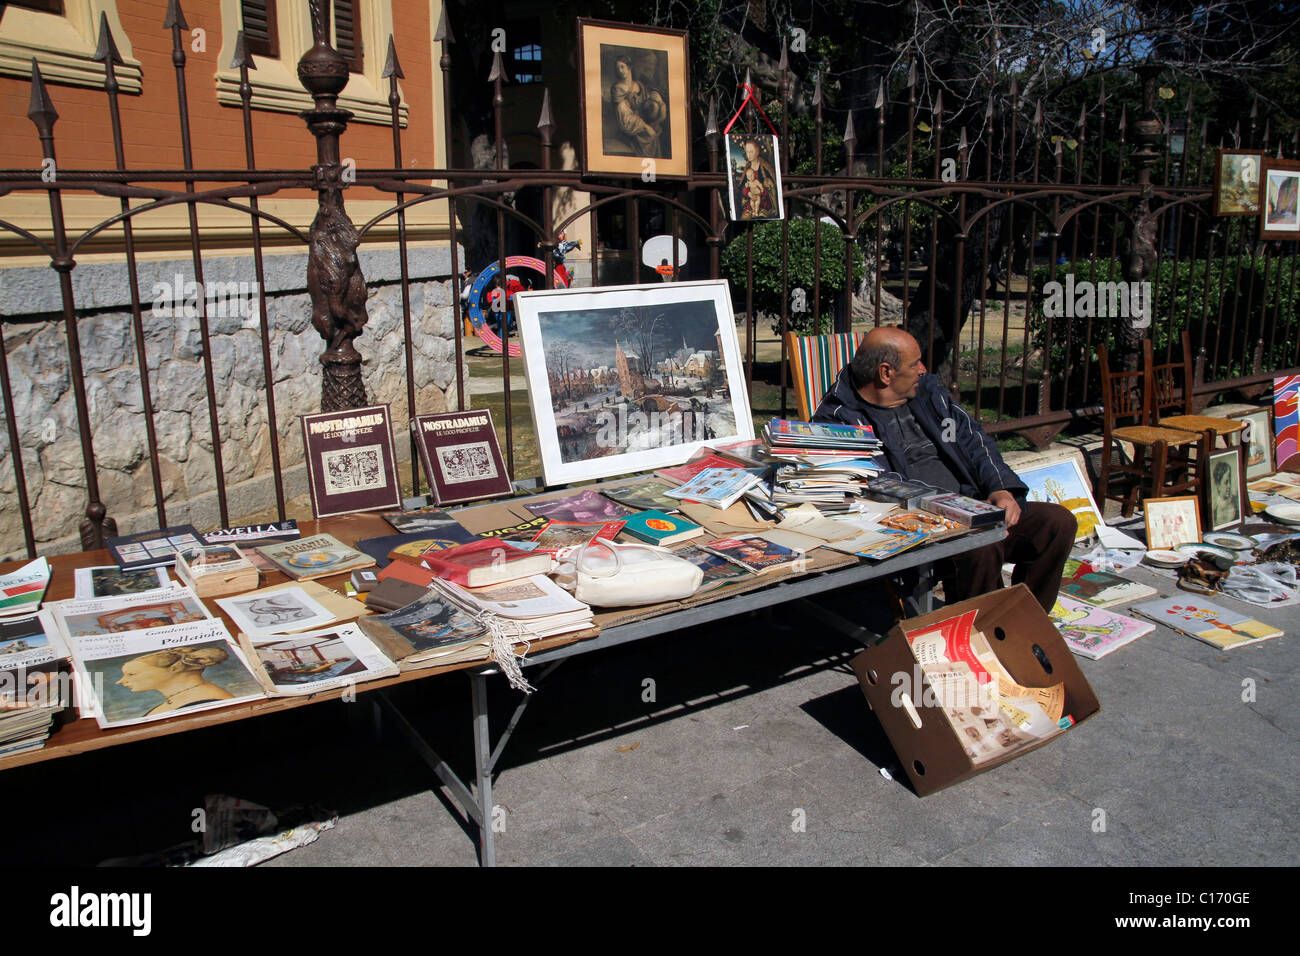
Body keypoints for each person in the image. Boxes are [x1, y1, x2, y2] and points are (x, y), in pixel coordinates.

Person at [813, 327, 1076, 611]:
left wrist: (1000, 487)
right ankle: (982, 631)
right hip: (922, 525)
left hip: (975, 503)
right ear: (886, 373)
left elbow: (974, 440)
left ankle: (1027, 618)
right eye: (915, 364)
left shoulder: (928, 394)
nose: (923, 369)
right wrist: (957, 513)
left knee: (1057, 523)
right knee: (981, 546)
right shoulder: (838, 421)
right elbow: (874, 486)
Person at [117, 646, 236, 716]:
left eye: (131, 674)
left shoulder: (204, 703)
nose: (120, 681)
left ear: (174, 669)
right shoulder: (176, 699)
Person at [610, 55, 667, 156]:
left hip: (647, 126)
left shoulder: (639, 85)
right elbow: (624, 118)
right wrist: (645, 127)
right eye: (617, 68)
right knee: (649, 138)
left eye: (622, 67)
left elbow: (652, 108)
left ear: (629, 67)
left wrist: (659, 101)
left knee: (655, 137)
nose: (620, 70)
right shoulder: (617, 89)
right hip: (632, 131)